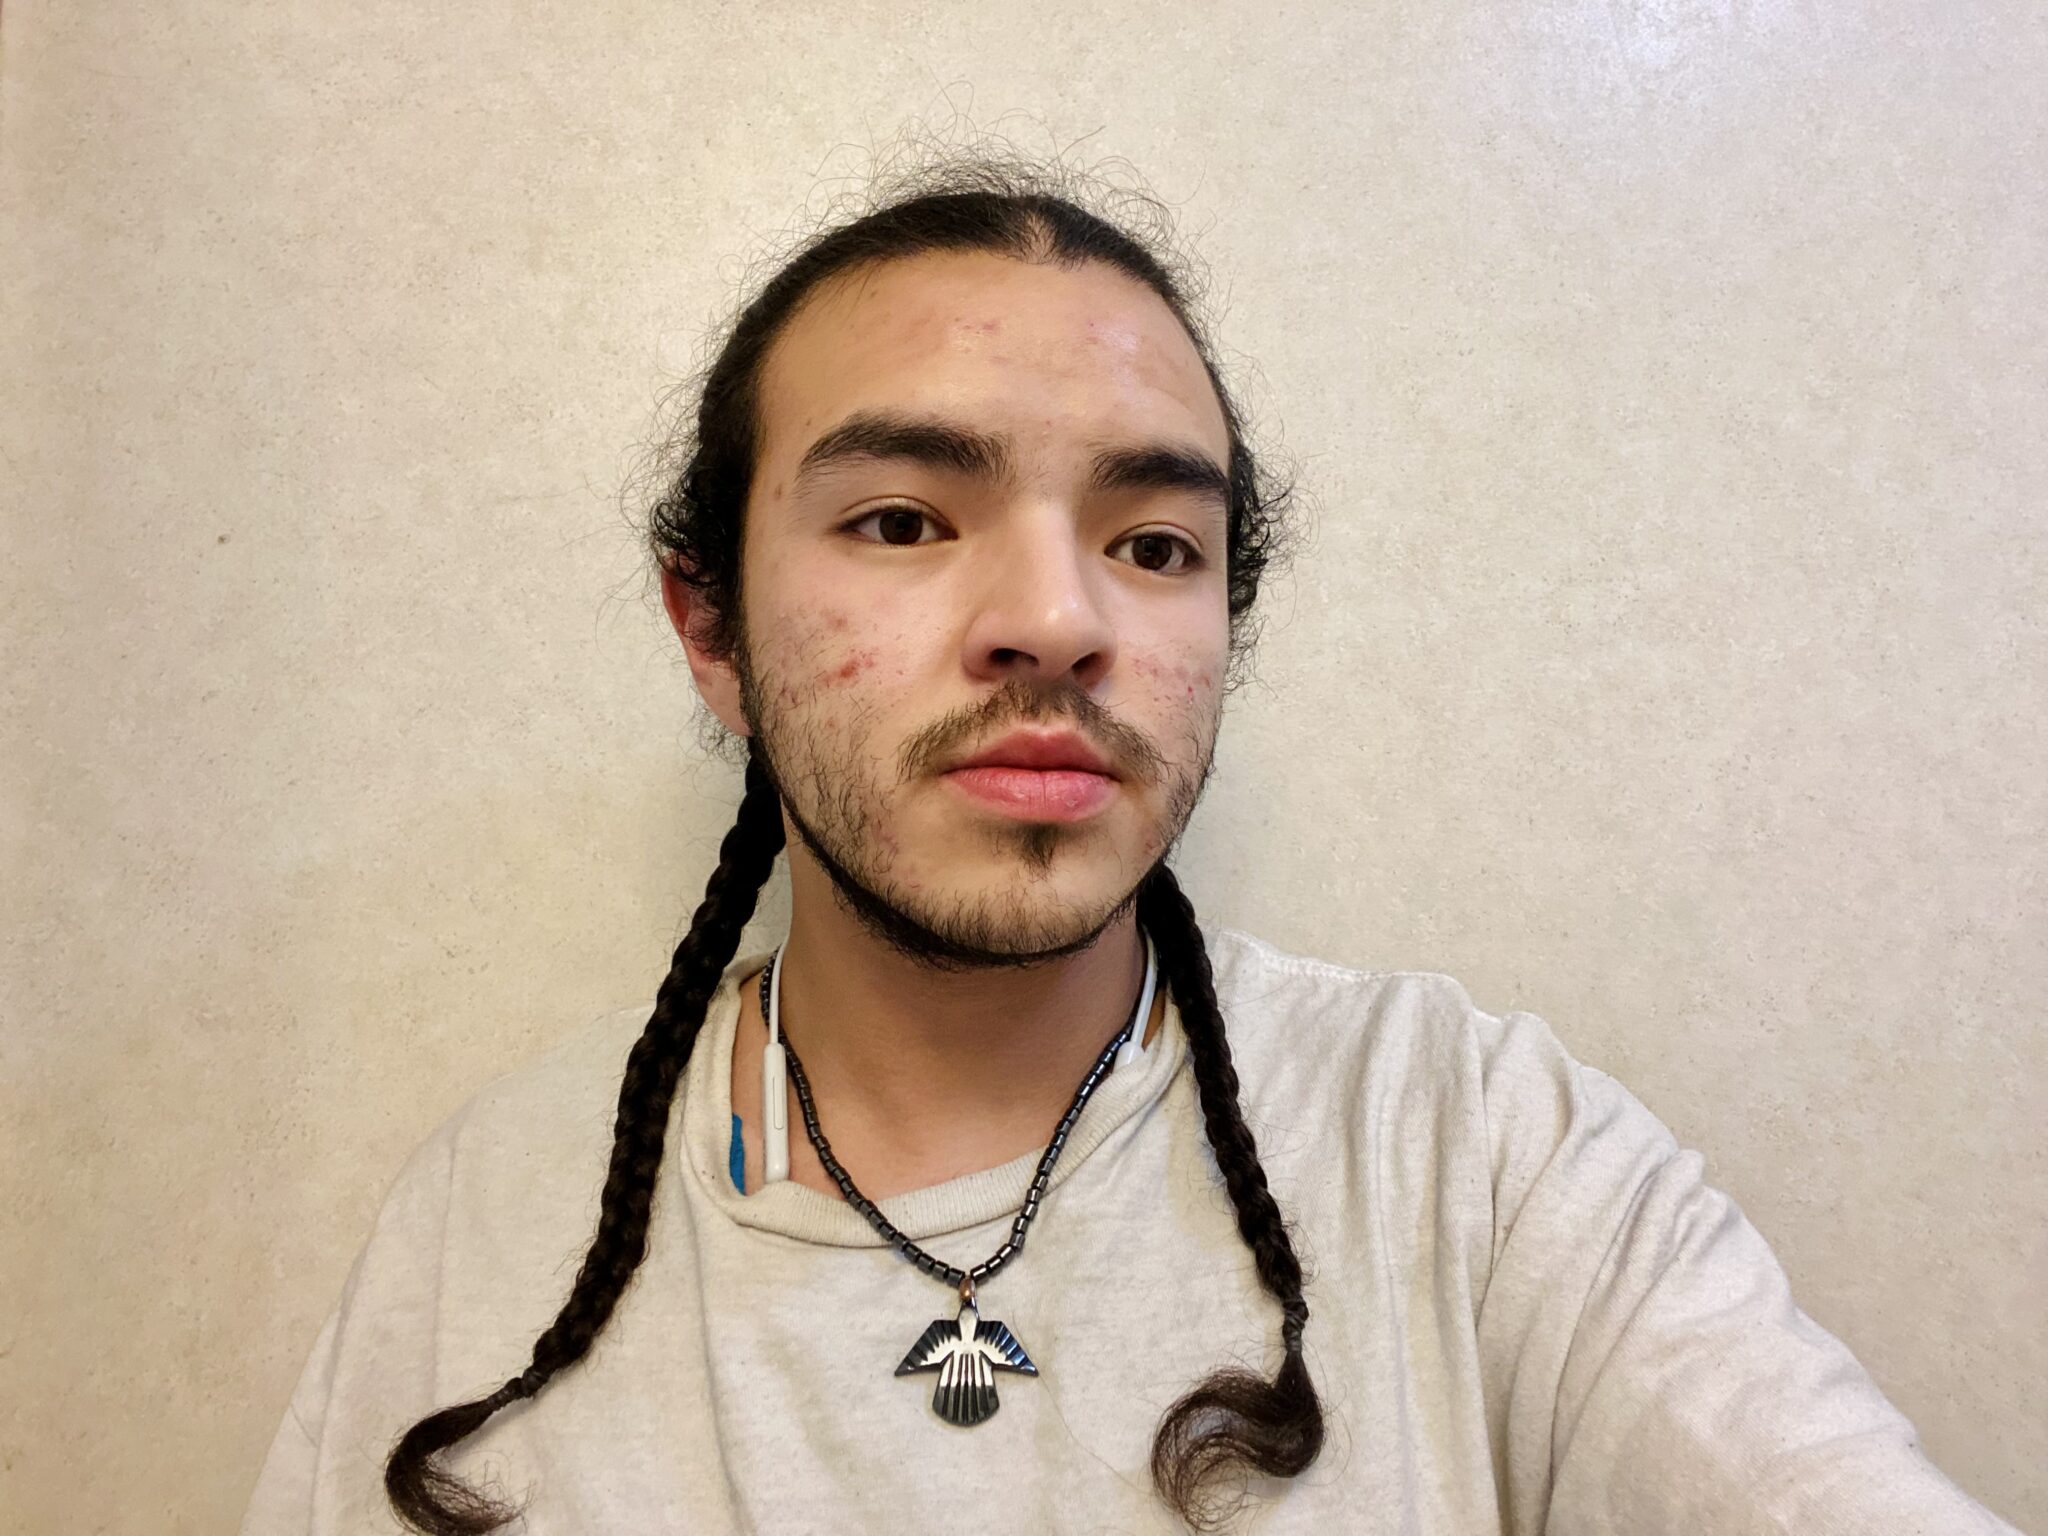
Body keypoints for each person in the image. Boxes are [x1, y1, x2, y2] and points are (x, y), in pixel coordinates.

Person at [240, 154, 2023, 1536]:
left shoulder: (1480, 1160)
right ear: (709, 629)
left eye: (1155, 543)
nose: (1055, 616)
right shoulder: (488, 1228)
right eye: (902, 517)